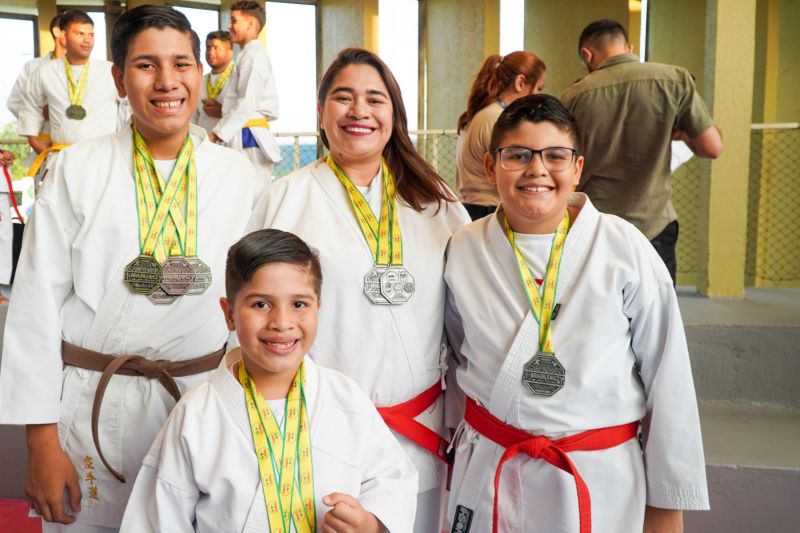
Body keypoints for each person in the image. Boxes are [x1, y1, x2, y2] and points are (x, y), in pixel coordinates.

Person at [0, 5, 260, 531]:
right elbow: (35, 306)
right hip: (97, 404)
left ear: (199, 71)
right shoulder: (76, 168)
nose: (167, 81)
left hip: (202, 401)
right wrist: (41, 443)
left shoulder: (241, 176)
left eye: (182, 64)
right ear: (118, 78)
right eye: (146, 66)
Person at [444, 94, 708, 533]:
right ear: (491, 167)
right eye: (518, 155)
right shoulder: (464, 247)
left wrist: (666, 506)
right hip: (492, 464)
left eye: (554, 156)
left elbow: (669, 377)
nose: (537, 170)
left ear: (577, 168)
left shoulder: (624, 248)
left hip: (596, 475)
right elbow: (457, 354)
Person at [249, 48, 470, 532]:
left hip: (419, 431)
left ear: (394, 113)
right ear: (321, 113)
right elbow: (251, 320)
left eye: (375, 99)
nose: (359, 112)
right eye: (343, 98)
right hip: (318, 430)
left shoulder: (436, 202)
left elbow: (463, 325)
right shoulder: (284, 199)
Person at [119, 228, 419, 532]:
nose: (282, 323)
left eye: (299, 304)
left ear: (319, 307)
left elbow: (393, 481)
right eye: (261, 304)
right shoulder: (197, 413)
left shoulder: (346, 399)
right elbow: (160, 520)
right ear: (230, 314)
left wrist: (370, 524)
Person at [561, 19, 724, 283]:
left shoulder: (573, 96)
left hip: (595, 225)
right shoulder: (675, 80)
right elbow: (712, 147)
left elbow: (562, 162)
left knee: (599, 313)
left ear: (586, 55)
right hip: (654, 224)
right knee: (657, 315)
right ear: (629, 46)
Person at [17, 10, 127, 186]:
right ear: (63, 35)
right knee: (58, 209)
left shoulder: (110, 71)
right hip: (61, 156)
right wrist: (33, 140)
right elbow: (30, 105)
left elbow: (128, 108)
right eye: (80, 34)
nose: (87, 40)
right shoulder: (45, 71)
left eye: (91, 35)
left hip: (102, 157)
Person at [456, 51, 546, 221]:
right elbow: (516, 170)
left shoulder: (485, 114)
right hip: (487, 210)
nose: (538, 96)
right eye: (539, 88)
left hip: (476, 209)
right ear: (520, 82)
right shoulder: (496, 119)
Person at [209, 1, 281, 185]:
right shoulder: (247, 56)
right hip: (242, 132)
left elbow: (247, 103)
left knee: (252, 195)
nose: (229, 26)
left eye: (234, 20)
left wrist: (217, 134)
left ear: (250, 23)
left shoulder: (254, 57)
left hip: (249, 136)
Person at [6, 13, 66, 156]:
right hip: (44, 141)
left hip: (79, 143)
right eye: (77, 32)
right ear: (57, 32)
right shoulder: (33, 67)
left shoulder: (89, 69)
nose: (85, 39)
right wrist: (40, 116)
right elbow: (14, 102)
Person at [192, 30, 235, 134]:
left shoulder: (240, 77)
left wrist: (223, 112)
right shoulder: (199, 81)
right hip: (204, 144)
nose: (211, 52)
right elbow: (193, 118)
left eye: (216, 48)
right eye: (208, 47)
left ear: (230, 52)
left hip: (234, 144)